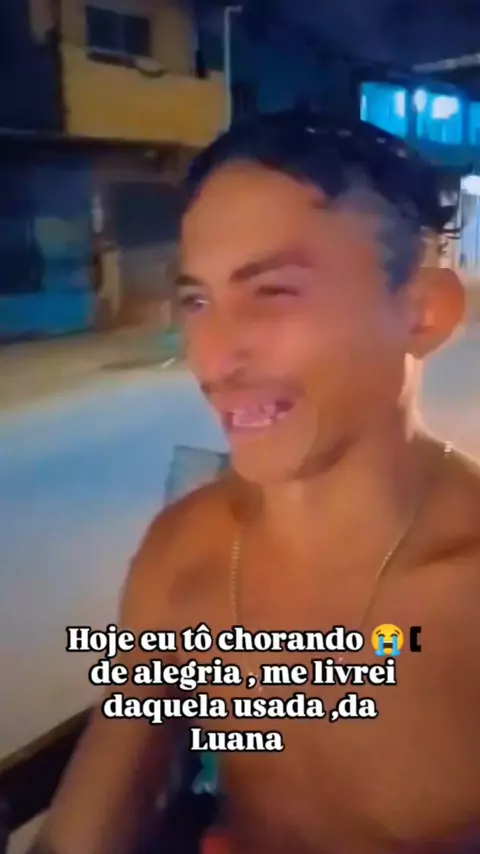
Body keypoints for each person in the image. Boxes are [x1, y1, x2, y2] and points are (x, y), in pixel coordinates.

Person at [30, 111, 480, 854]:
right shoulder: (186, 552)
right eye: (197, 301)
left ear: (424, 312)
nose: (213, 357)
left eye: (271, 292)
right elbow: (92, 818)